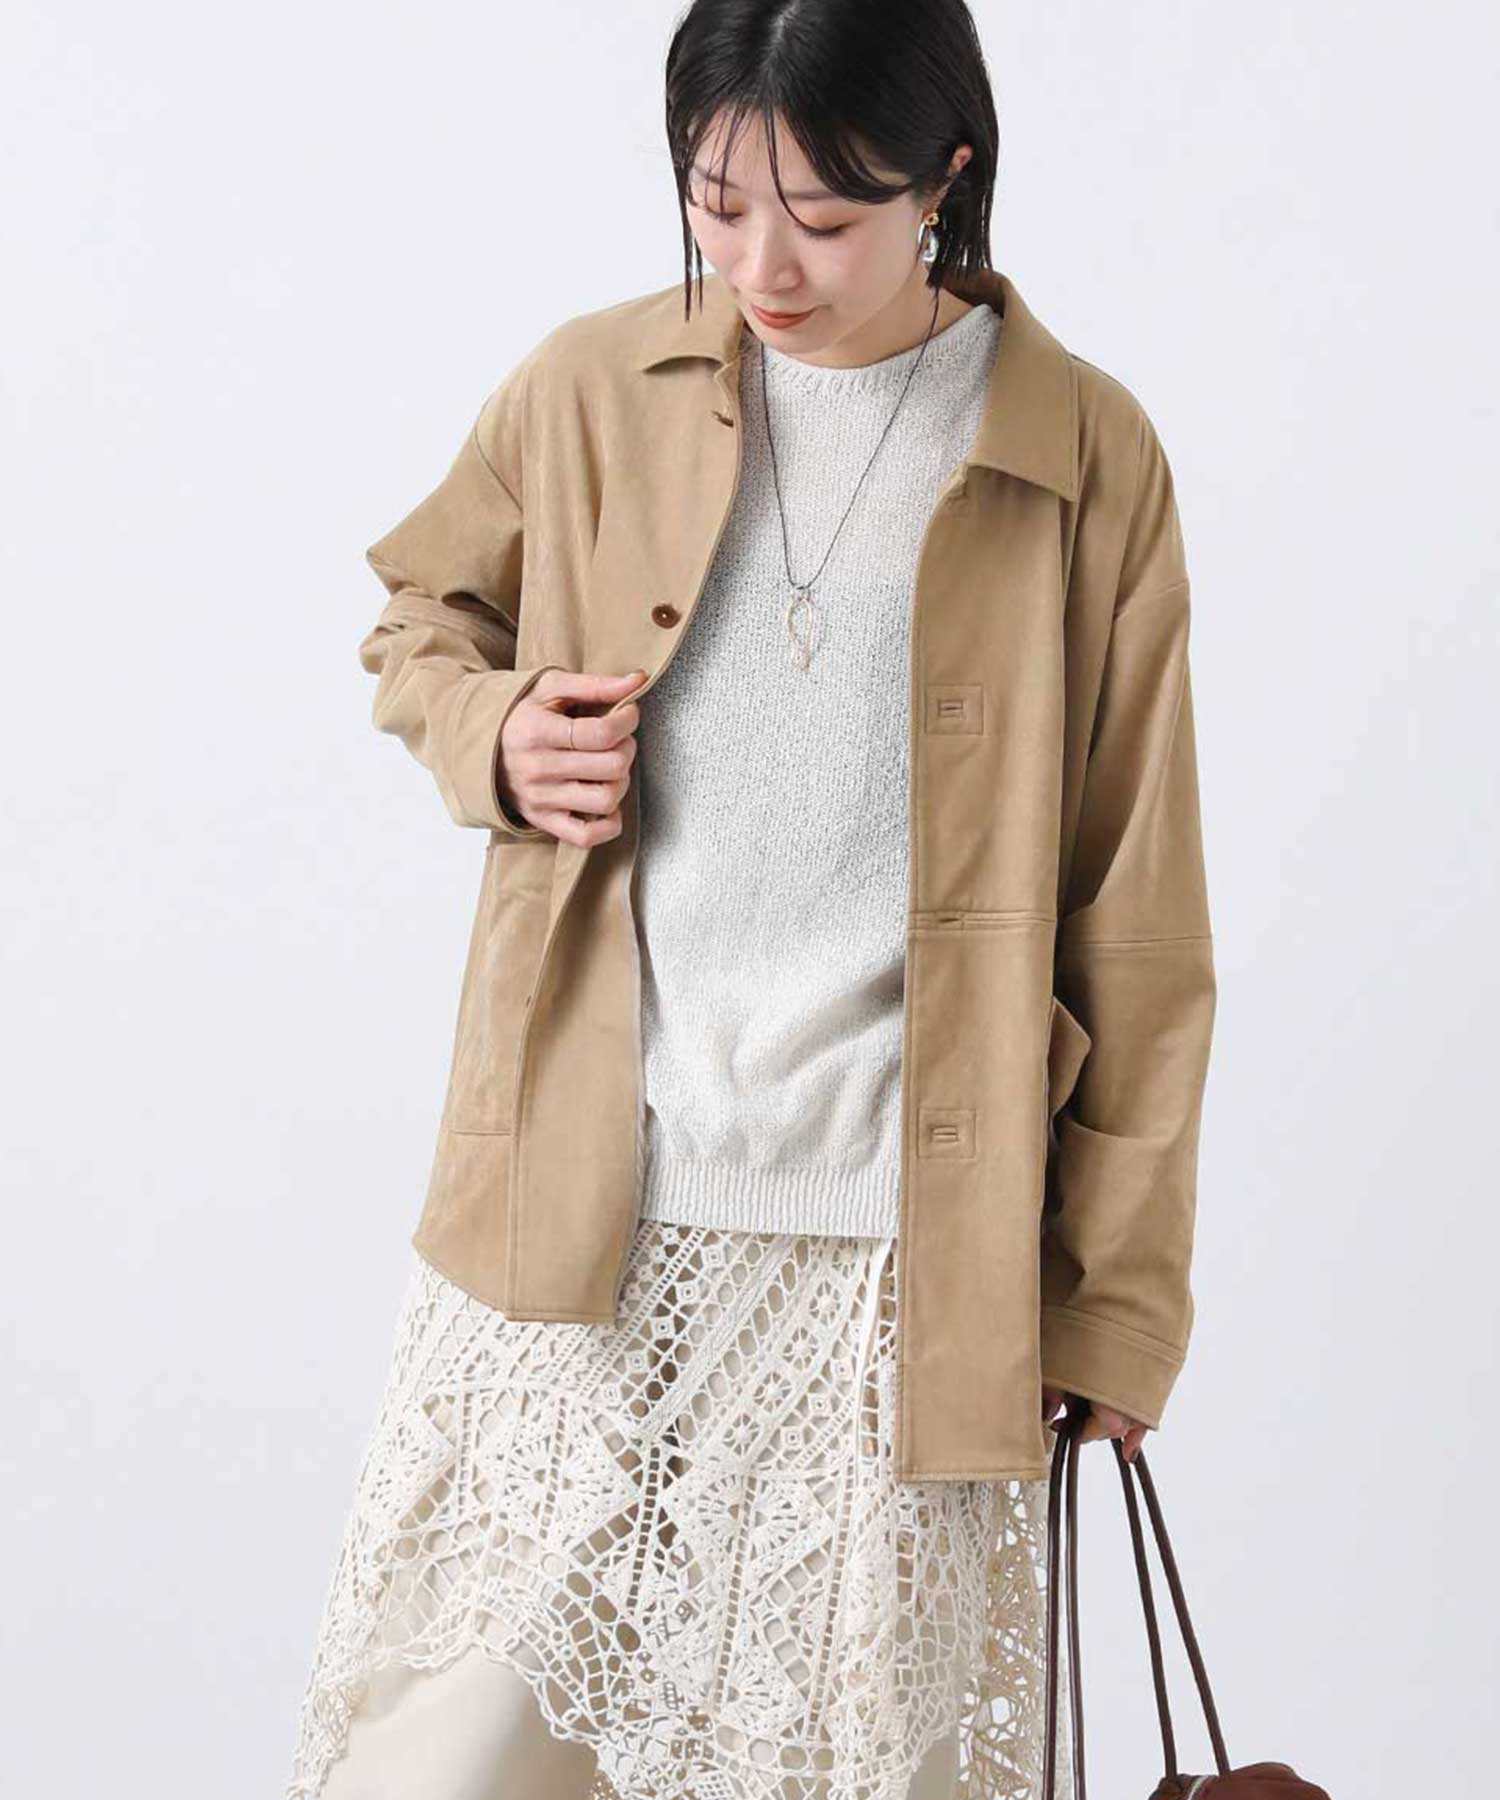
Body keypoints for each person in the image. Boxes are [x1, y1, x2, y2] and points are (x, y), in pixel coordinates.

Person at [284, 2, 1216, 1795]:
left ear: (946, 174)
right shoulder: (587, 390)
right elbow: (420, 617)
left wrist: (1116, 1299)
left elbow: (1143, 912)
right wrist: (495, 737)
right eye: (719, 206)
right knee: (451, 1760)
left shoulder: (1085, 454)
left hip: (903, 1266)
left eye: (826, 215)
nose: (764, 265)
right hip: (584, 1217)